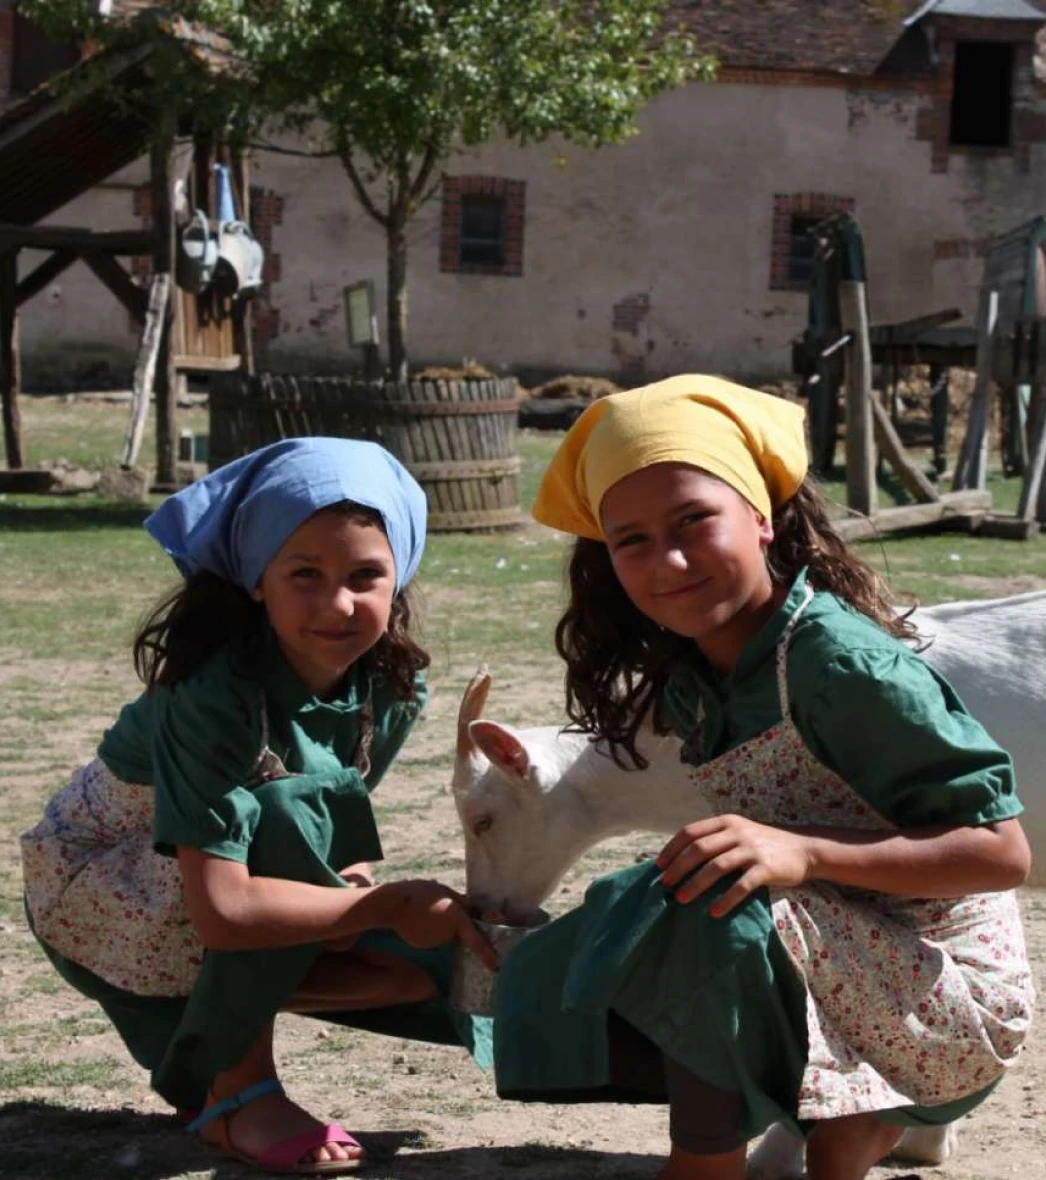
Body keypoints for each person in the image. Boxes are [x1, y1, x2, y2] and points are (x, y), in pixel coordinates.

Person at [491, 375, 1035, 1180]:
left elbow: (1000, 854)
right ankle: (847, 1122)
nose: (667, 560)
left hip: (950, 1002)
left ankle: (714, 1161)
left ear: (762, 515)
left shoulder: (841, 666)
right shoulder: (697, 664)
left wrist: (803, 852)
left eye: (692, 521)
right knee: (624, 919)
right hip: (848, 963)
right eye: (630, 539)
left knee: (708, 910)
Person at [20, 437, 497, 1177]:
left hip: (212, 886)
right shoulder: (213, 695)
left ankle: (212, 1043)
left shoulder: (391, 689)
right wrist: (378, 909)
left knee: (433, 968)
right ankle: (240, 1095)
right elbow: (224, 909)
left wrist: (358, 891)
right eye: (304, 573)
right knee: (286, 823)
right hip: (104, 892)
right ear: (255, 580)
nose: (338, 604)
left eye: (365, 574)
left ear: (398, 577)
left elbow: (336, 818)